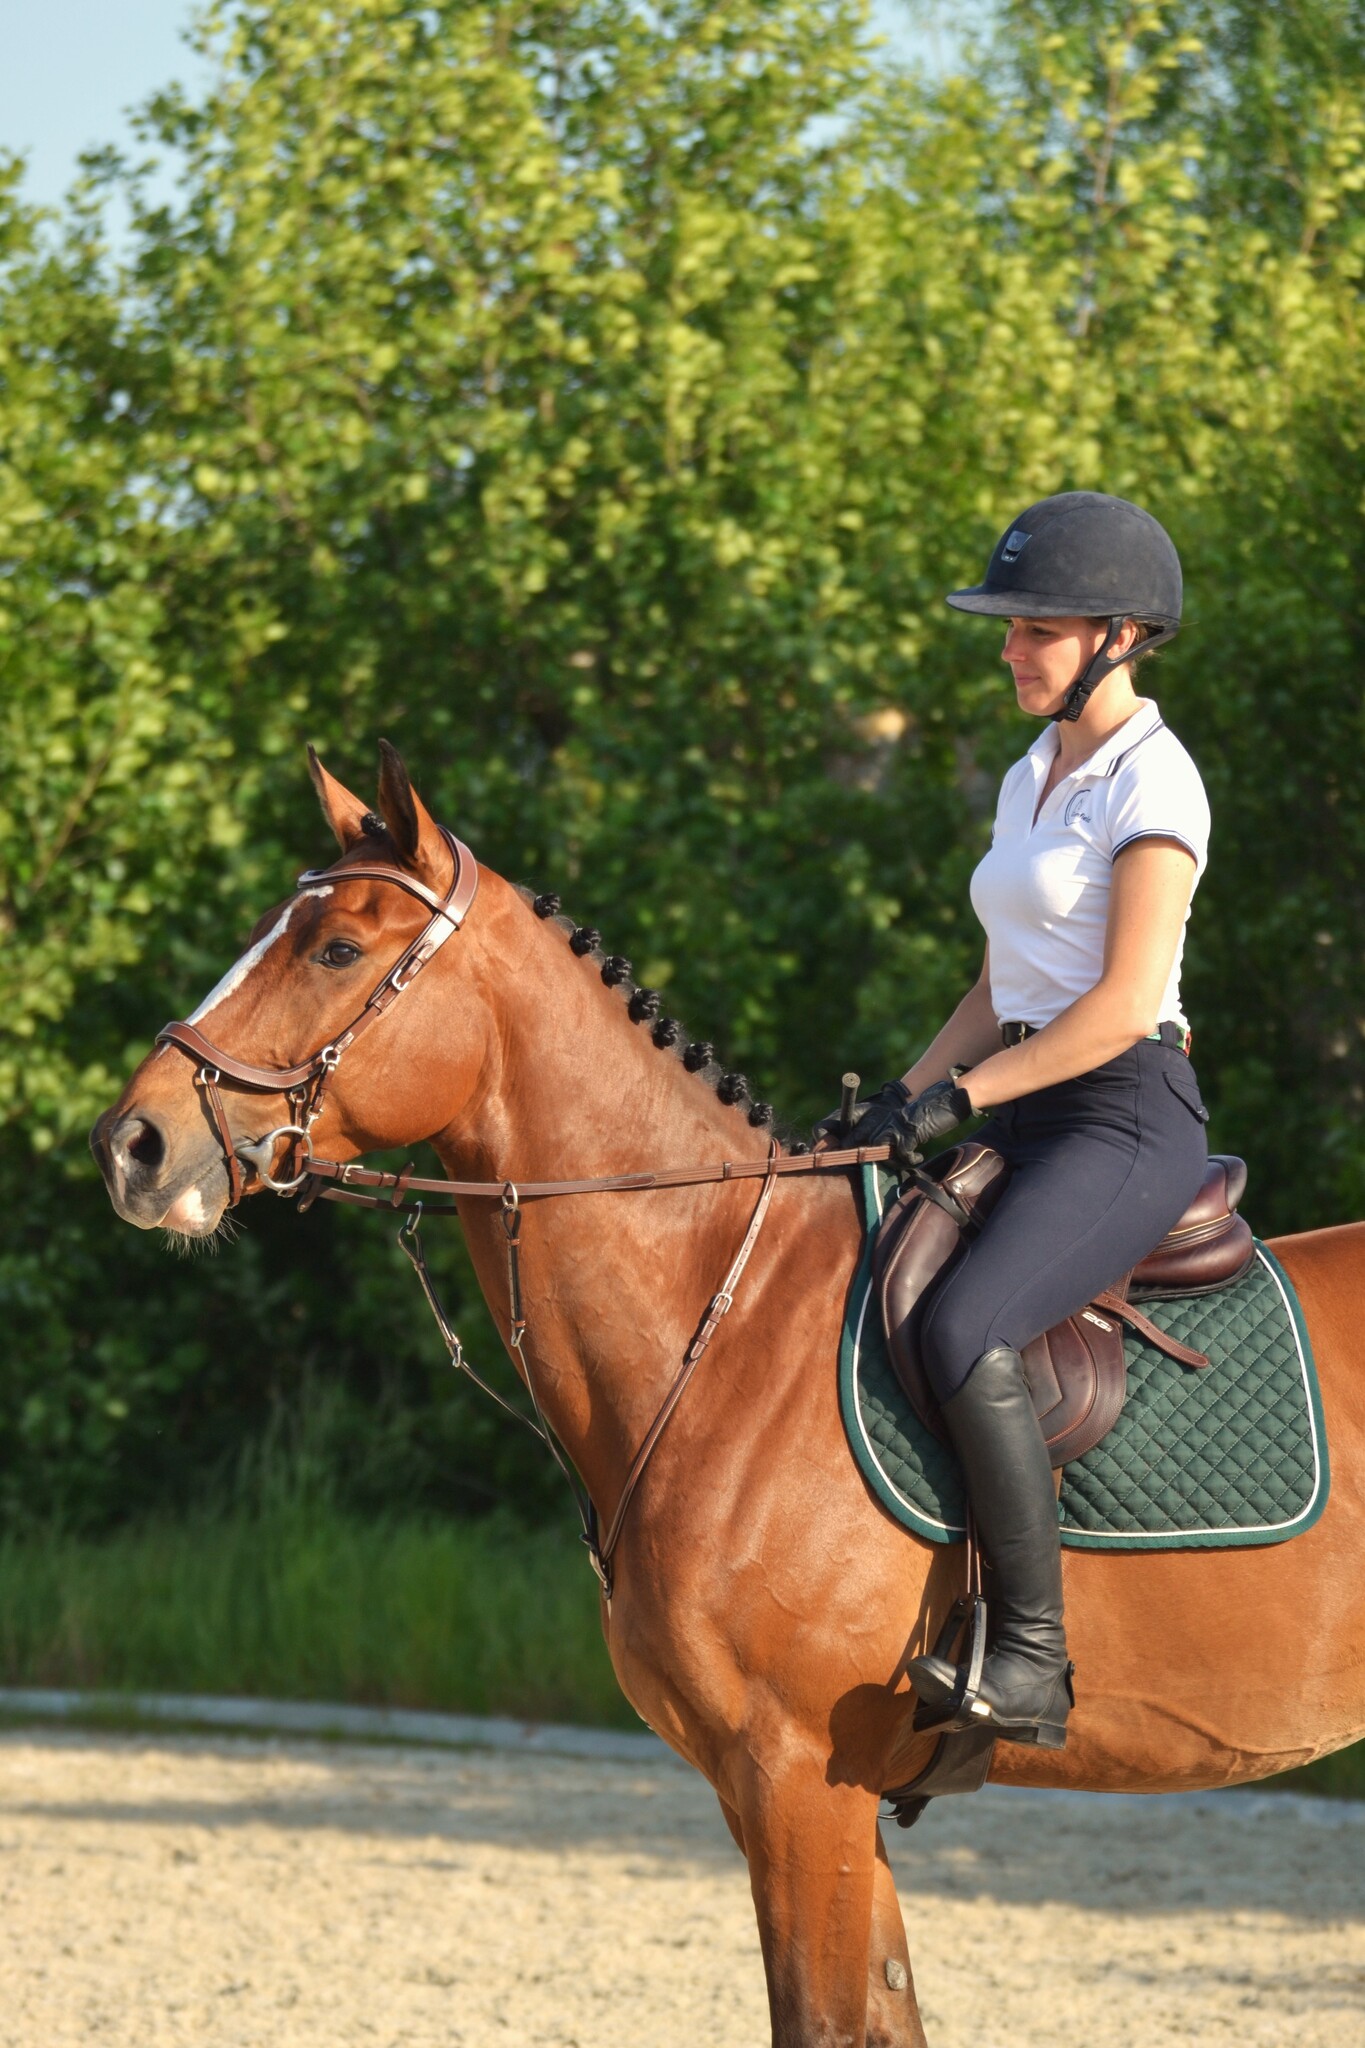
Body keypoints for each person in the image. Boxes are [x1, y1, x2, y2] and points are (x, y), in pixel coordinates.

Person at [825, 491, 1211, 1749]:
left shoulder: (1157, 780)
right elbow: (1000, 988)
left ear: (1115, 634)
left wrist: (957, 1101)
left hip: (1120, 1113)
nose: (1009, 649)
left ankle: (1035, 1658)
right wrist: (899, 1094)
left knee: (965, 1321)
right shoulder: (1029, 772)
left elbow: (1112, 1008)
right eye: (1008, 628)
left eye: (1033, 629)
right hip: (1029, 1100)